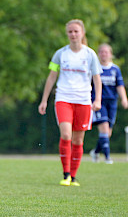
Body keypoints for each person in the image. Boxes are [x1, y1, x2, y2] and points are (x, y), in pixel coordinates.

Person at [38, 19, 102, 187]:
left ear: (82, 33)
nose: (73, 34)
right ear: (67, 34)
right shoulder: (60, 54)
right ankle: (65, 174)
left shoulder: (90, 55)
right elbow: (52, 76)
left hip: (83, 100)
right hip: (63, 98)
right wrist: (44, 100)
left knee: (78, 140)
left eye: (76, 31)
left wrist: (97, 99)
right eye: (70, 32)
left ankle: (73, 176)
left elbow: (97, 79)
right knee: (66, 134)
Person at [89, 43, 128, 164]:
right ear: (98, 54)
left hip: (112, 103)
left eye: (106, 52)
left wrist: (124, 98)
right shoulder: (95, 68)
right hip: (98, 102)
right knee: (104, 129)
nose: (104, 54)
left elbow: (120, 85)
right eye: (101, 52)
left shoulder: (115, 69)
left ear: (111, 54)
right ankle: (107, 158)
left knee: (107, 133)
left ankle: (95, 152)